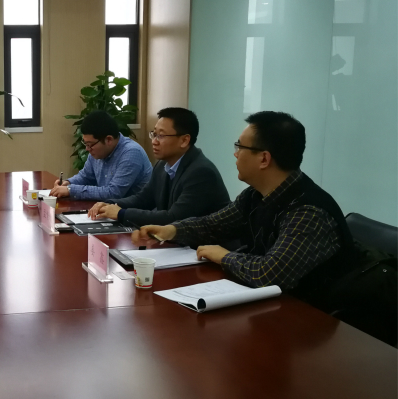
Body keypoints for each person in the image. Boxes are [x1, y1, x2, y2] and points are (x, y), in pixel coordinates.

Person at [132, 111, 355, 305]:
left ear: (264, 159)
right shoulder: (256, 194)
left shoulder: (308, 212)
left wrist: (224, 256)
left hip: (311, 317)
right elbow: (214, 224)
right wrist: (172, 230)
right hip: (268, 303)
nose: (235, 153)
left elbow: (270, 273)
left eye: (240, 146)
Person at [87, 107, 229, 225]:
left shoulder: (201, 172)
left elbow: (173, 218)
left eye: (161, 136)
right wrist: (111, 204)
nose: (154, 141)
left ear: (184, 140)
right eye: (154, 134)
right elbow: (143, 199)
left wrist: (121, 213)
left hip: (207, 247)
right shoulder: (162, 165)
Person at [50, 110, 152, 200]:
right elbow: (85, 176)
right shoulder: (97, 151)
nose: (87, 149)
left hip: (134, 212)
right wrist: (68, 183)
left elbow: (113, 193)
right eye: (86, 144)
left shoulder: (131, 153)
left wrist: (71, 190)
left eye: (90, 144)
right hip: (109, 209)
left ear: (109, 140)